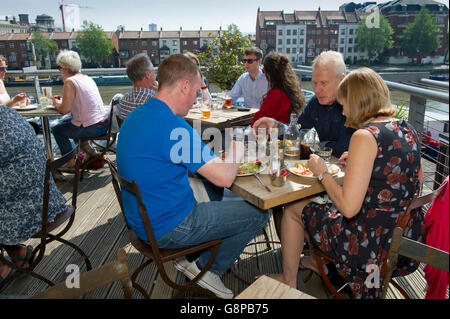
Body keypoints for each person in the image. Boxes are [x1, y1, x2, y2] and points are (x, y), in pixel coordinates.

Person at [116, 54, 269, 299]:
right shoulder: (173, 126)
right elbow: (225, 178)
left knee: (214, 189)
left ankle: (194, 255)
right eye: (196, 92)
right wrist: (238, 146)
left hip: (140, 220)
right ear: (184, 85)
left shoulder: (136, 115)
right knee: (260, 212)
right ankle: (206, 268)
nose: (197, 99)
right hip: (169, 227)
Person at [266, 67, 425, 299]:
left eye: (344, 105)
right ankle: (314, 260)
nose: (343, 112)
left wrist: (322, 173)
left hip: (367, 243)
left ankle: (289, 280)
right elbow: (414, 181)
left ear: (357, 101)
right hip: (404, 234)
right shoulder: (406, 127)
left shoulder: (364, 136)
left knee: (293, 209)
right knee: (316, 204)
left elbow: (349, 208)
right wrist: (364, 161)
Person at [0, 105, 68, 283]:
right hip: (48, 200)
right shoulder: (9, 113)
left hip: (27, 213)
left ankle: (3, 265)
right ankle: (18, 252)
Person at [253, 51, 355, 157]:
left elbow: (347, 148)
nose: (316, 90)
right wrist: (277, 126)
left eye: (323, 83)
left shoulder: (355, 106)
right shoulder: (316, 102)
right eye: (315, 83)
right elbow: (297, 129)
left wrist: (320, 145)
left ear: (341, 80)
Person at [51, 50, 109, 173]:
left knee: (57, 129)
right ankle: (91, 152)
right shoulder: (86, 78)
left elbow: (63, 110)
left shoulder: (70, 82)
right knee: (71, 122)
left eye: (59, 67)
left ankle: (71, 163)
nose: (59, 71)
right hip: (103, 123)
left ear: (65, 68)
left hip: (92, 128)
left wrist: (56, 104)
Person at [250, 52, 306, 126]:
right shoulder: (291, 91)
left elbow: (256, 122)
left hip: (275, 135)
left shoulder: (276, 94)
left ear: (269, 74)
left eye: (264, 71)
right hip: (286, 132)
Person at [118, 53, 158, 120]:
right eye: (154, 72)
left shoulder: (123, 100)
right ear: (147, 74)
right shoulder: (155, 101)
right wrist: (161, 91)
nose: (155, 76)